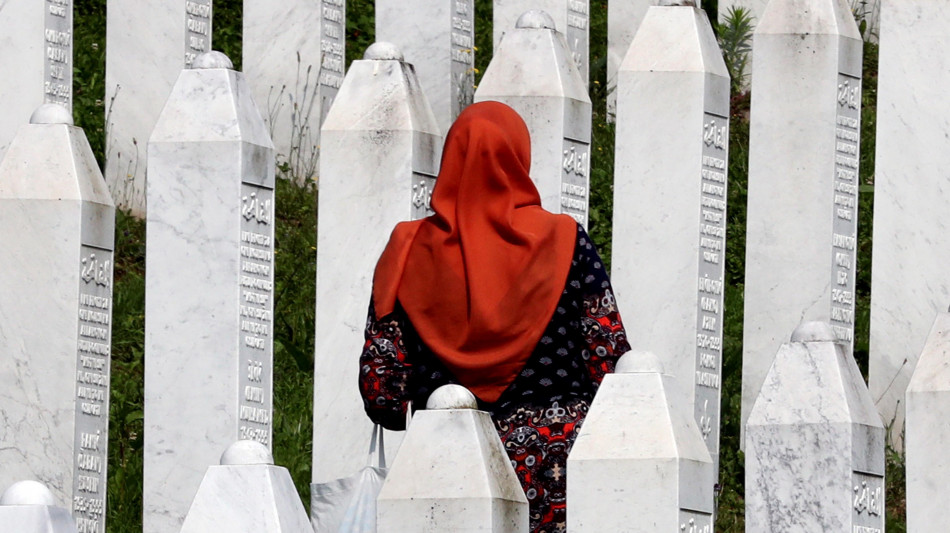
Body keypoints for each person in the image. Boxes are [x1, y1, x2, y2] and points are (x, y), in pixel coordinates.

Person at [358, 101, 630, 533]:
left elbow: (383, 393)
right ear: (519, 158)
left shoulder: (406, 249)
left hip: (448, 463)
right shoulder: (564, 239)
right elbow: (607, 356)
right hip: (556, 468)